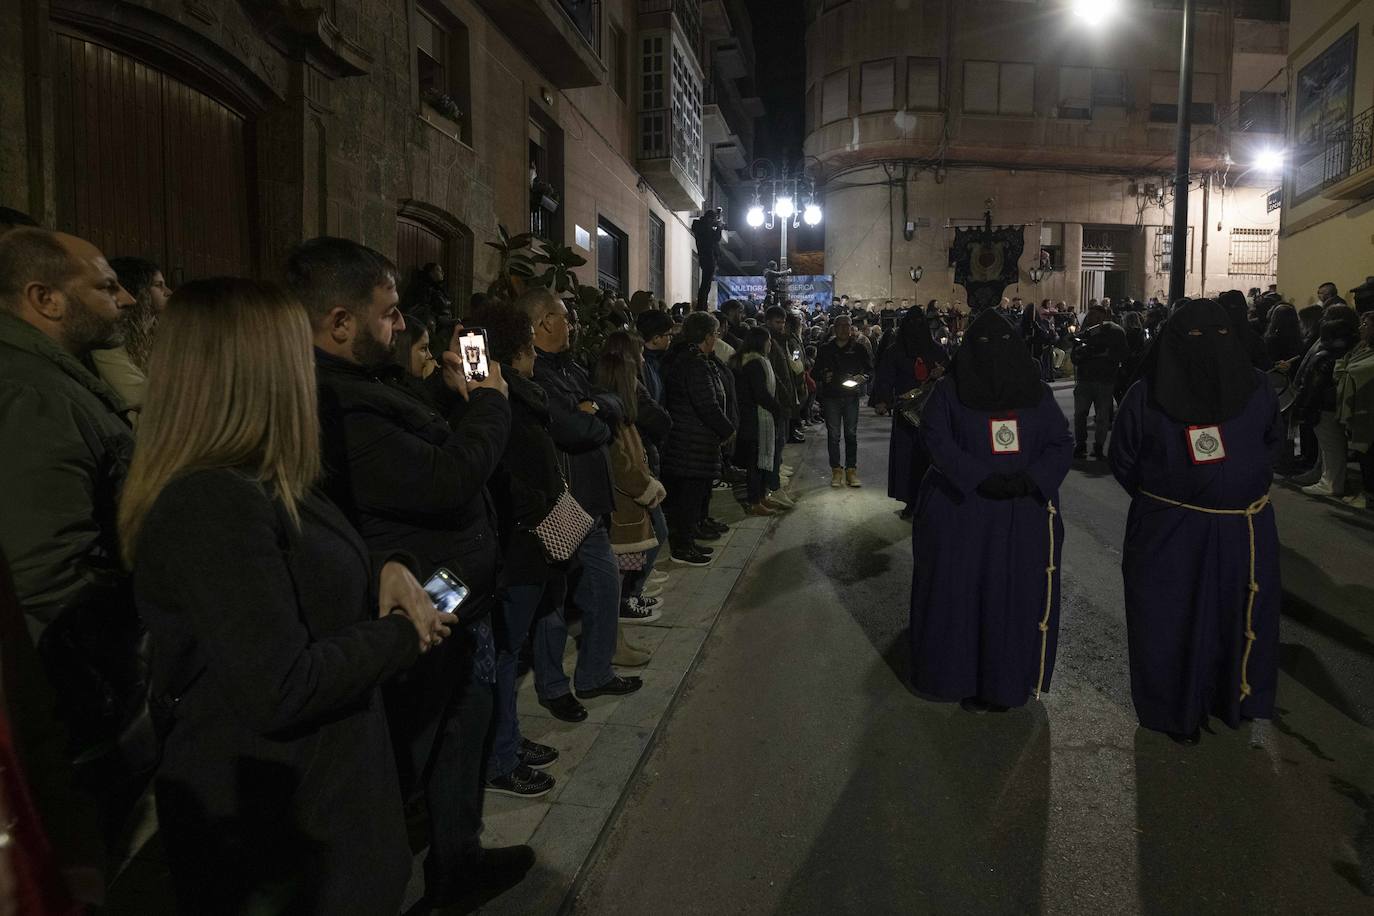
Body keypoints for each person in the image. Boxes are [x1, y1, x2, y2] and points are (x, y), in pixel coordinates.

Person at [119, 277, 448, 914]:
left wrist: (387, 568)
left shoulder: (260, 477)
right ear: (258, 371)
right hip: (289, 838)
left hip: (324, 806)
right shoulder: (210, 502)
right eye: (298, 351)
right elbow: (279, 685)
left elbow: (307, 561)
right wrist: (406, 633)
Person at [287, 237, 534, 909]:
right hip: (423, 599)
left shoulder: (370, 385)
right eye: (390, 313)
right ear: (340, 321)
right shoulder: (338, 400)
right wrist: (491, 400)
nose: (401, 326)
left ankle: (459, 860)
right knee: (418, 751)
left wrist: (454, 397)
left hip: (453, 593)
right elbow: (447, 479)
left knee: (462, 732)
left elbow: (431, 454)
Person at [0, 228, 147, 887]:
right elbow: (42, 577)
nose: (128, 299)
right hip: (78, 706)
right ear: (44, 298)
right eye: (105, 285)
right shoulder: (35, 396)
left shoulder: (60, 378)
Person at [1109, 298, 1281, 744]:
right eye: (1196, 338)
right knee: (1168, 621)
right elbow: (1124, 456)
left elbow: (1271, 444)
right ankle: (1170, 708)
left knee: (1232, 618)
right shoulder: (1147, 394)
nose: (1209, 347)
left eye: (1220, 336)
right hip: (1169, 531)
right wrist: (1171, 497)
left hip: (1240, 530)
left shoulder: (1257, 389)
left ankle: (1230, 701)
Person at [908, 309, 1074, 711]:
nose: (993, 354)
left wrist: (1031, 479)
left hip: (1022, 514)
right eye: (983, 345)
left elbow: (1060, 441)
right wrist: (977, 475)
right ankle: (961, 678)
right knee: (962, 598)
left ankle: (1005, 682)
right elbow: (935, 437)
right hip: (963, 512)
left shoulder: (1036, 392)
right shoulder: (950, 391)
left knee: (1011, 600)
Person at [521, 287, 643, 722]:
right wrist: (594, 417)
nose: (572, 323)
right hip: (562, 505)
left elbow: (609, 402)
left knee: (603, 588)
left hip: (591, 501)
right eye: (563, 316)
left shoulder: (568, 366)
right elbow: (573, 428)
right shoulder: (535, 373)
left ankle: (593, 674)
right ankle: (554, 688)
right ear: (543, 323)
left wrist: (596, 410)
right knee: (553, 603)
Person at [474, 301, 567, 801]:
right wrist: (539, 507)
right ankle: (500, 756)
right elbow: (503, 472)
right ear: (523, 349)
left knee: (512, 649)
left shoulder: (516, 395)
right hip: (519, 540)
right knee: (506, 652)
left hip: (532, 534)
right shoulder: (496, 399)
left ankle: (507, 740)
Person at [592, 336, 667, 623]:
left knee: (642, 546)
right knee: (627, 557)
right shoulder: (611, 414)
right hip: (627, 499)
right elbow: (621, 462)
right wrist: (645, 486)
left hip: (636, 491)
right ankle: (626, 600)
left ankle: (630, 596)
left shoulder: (621, 411)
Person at [660, 312, 735, 565]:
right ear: (705, 336)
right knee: (687, 499)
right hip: (690, 442)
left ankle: (689, 539)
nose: (716, 339)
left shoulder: (695, 359)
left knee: (694, 495)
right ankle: (682, 547)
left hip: (695, 440)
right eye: (714, 334)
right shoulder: (693, 363)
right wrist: (727, 429)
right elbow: (707, 404)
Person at [873, 309, 949, 518]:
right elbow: (885, 377)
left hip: (932, 411)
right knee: (907, 457)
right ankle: (911, 500)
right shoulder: (895, 351)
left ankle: (931, 500)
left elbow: (950, 372)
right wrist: (882, 400)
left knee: (930, 456)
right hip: (905, 411)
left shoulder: (937, 350)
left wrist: (942, 372)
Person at [90, 256, 173, 420]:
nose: (169, 292)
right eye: (158, 285)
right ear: (138, 290)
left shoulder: (160, 330)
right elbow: (140, 396)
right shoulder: (111, 339)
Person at [1291, 305, 1360, 497]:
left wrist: (1305, 404)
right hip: (1327, 402)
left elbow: (1316, 382)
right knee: (1327, 445)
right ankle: (1322, 474)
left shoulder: (1329, 353)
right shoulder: (1343, 347)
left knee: (1331, 445)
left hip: (1325, 403)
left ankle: (1331, 482)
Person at [814, 313, 873, 488]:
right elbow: (815, 371)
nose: (844, 329)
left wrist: (863, 377)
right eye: (840, 326)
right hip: (831, 396)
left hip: (851, 396)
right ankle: (836, 470)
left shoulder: (859, 348)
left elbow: (870, 369)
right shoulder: (826, 348)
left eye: (847, 326)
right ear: (834, 328)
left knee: (851, 434)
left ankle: (851, 470)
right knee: (833, 435)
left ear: (851, 328)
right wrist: (824, 375)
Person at [732, 326, 786, 516]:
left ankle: (762, 497)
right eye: (768, 340)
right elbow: (760, 394)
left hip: (760, 418)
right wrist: (777, 409)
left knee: (762, 461)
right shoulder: (754, 363)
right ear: (760, 342)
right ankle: (754, 501)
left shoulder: (760, 361)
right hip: (754, 420)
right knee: (755, 463)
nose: (770, 343)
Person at [1070, 305, 1128, 460]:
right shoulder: (1087, 333)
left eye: (1094, 315)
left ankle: (1099, 446)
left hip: (1105, 380)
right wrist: (1080, 352)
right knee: (1080, 414)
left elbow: (1122, 354)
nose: (1090, 318)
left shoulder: (1116, 332)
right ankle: (1080, 445)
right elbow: (1075, 356)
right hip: (1085, 379)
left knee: (1102, 416)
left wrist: (1104, 354)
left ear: (1103, 316)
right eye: (1090, 315)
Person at [1335, 310, 1374, 509]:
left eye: (1365, 325)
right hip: (1358, 408)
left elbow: (1351, 370)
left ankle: (1369, 495)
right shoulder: (1360, 347)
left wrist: (1346, 368)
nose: (1360, 329)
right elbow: (1343, 367)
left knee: (1369, 453)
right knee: (1363, 454)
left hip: (1368, 409)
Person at [691, 208, 723, 311]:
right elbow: (715, 238)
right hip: (708, 257)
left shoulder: (702, 226)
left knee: (706, 284)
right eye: (713, 219)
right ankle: (702, 306)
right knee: (706, 284)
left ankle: (702, 305)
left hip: (708, 257)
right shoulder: (702, 227)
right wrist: (718, 228)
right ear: (709, 218)